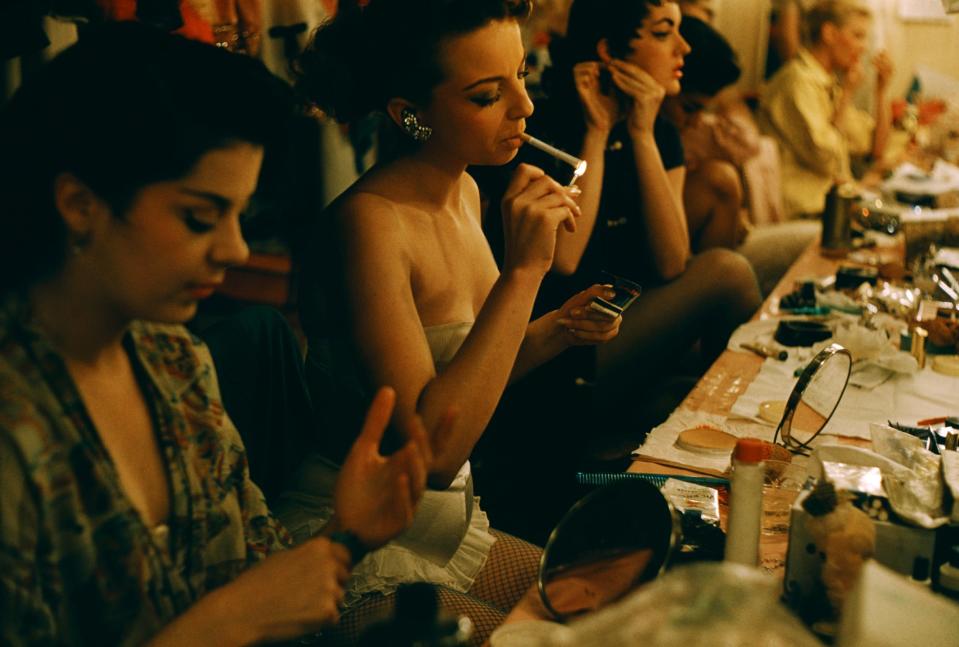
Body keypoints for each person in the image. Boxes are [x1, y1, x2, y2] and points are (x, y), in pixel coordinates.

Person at [0, 22, 437, 645]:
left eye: (240, 215)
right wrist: (218, 627)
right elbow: (242, 610)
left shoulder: (175, 361)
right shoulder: (16, 423)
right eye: (199, 217)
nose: (233, 249)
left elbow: (260, 576)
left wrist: (349, 535)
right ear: (79, 203)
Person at [291, 0, 621, 641]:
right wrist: (525, 274)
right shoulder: (373, 224)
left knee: (609, 606)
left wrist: (556, 329)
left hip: (448, 526)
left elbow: (467, 368)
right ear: (410, 114)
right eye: (486, 95)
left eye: (521, 75)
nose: (524, 108)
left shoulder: (468, 190)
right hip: (359, 546)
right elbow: (432, 452)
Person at [477, 0, 761, 422]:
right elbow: (566, 260)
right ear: (609, 50)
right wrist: (597, 131)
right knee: (727, 272)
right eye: (664, 33)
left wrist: (642, 134)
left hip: (620, 322)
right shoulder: (548, 124)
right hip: (557, 346)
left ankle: (722, 420)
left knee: (724, 271)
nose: (683, 48)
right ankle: (728, 424)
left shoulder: (658, 129)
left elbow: (671, 261)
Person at [757, 0, 893, 219]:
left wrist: (882, 91)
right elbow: (825, 157)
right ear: (829, 33)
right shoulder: (797, 82)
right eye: (858, 36)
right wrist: (848, 94)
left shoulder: (828, 84)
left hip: (835, 205)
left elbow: (875, 148)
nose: (864, 47)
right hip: (807, 213)